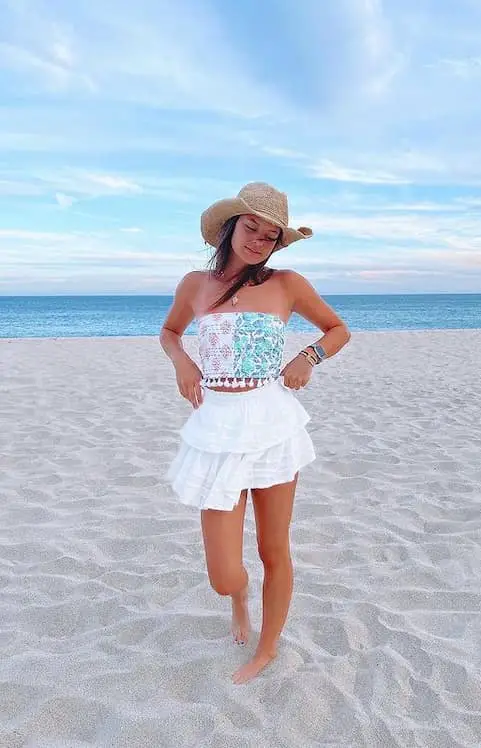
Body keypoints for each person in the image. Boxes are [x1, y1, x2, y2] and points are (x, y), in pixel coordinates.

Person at [160, 182, 351, 684]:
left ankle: (267, 648)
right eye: (251, 228)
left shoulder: (287, 283)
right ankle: (238, 600)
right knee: (224, 575)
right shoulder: (194, 285)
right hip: (216, 426)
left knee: (273, 548)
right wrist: (183, 364)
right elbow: (170, 331)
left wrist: (308, 358)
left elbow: (337, 329)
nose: (258, 241)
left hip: (271, 423)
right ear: (230, 227)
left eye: (270, 236)